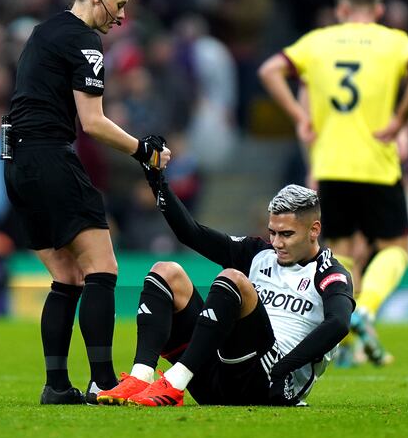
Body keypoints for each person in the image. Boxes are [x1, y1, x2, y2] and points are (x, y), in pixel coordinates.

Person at [3, 0, 172, 405]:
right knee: (102, 268)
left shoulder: (43, 31)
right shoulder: (84, 39)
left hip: (16, 163)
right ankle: (103, 381)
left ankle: (57, 386)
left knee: (66, 277)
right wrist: (143, 150)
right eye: (119, 5)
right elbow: (93, 122)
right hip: (50, 158)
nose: (121, 17)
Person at [258, 0, 408, 365]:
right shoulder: (393, 41)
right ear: (379, 11)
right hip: (376, 163)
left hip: (330, 165)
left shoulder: (317, 43)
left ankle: (345, 338)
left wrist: (298, 117)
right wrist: (401, 120)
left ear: (340, 10)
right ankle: (364, 310)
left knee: (343, 250)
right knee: (395, 247)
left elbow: (270, 69)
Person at [97, 172, 354, 406]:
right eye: (272, 233)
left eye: (286, 234)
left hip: (269, 383)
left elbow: (339, 323)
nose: (276, 243)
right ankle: (141, 376)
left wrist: (284, 369)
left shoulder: (330, 273)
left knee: (232, 278)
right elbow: (191, 234)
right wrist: (158, 182)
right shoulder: (259, 254)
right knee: (165, 272)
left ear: (314, 230)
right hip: (219, 377)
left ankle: (175, 383)